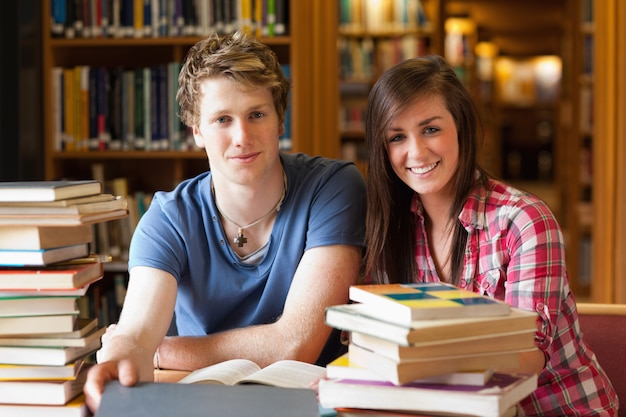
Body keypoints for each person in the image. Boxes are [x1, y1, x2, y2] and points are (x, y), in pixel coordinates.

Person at [83, 31, 366, 412]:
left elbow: (295, 345)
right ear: (196, 130)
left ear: (280, 119)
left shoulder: (332, 188)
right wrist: (123, 353)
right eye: (222, 119)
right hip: (205, 401)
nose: (242, 136)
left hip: (307, 405)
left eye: (256, 114)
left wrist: (165, 350)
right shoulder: (168, 218)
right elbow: (135, 332)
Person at [363, 54, 618, 416]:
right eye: (397, 136)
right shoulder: (390, 230)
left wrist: (422, 358)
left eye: (431, 129)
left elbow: (527, 356)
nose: (416, 151)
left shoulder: (525, 221)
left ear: (462, 128)